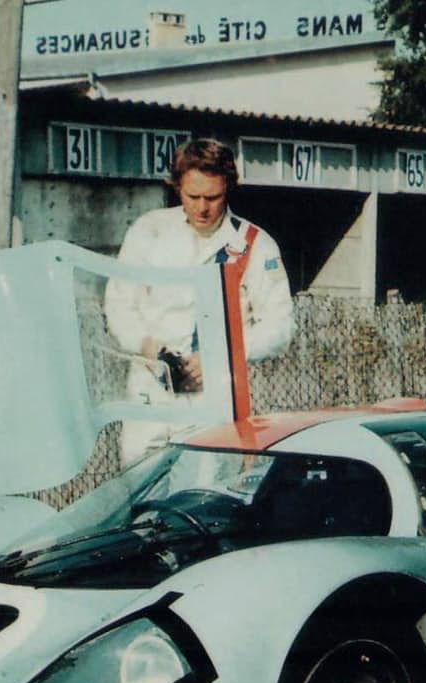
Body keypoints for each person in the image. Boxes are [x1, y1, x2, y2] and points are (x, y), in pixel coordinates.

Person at [104, 138, 294, 464]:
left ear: (228, 188)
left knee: (203, 490)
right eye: (193, 197)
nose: (202, 208)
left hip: (213, 399)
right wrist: (145, 344)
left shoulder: (255, 244)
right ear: (177, 186)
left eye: (213, 197)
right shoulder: (149, 231)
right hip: (149, 393)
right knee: (136, 487)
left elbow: (280, 327)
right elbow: (119, 303)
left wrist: (223, 356)